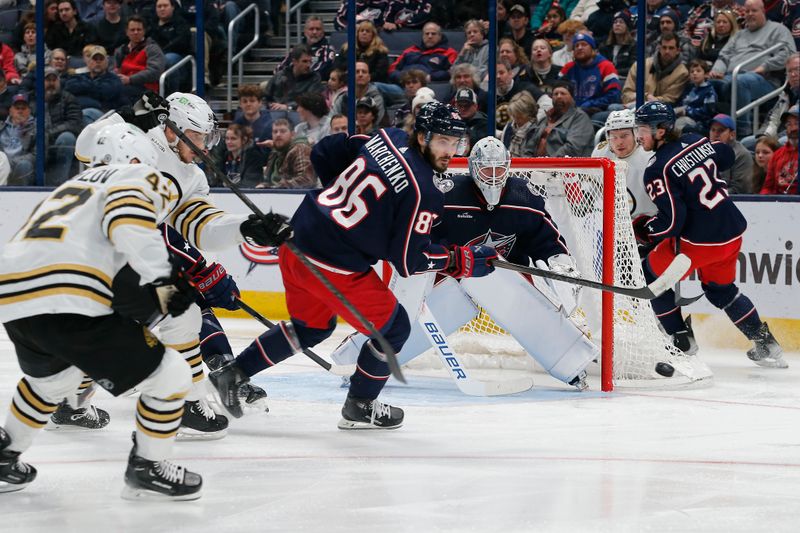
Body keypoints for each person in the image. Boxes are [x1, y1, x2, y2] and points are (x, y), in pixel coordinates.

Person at [211, 102, 498, 430]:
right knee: (395, 329)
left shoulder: (387, 137)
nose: (450, 150)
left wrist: (343, 205)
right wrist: (461, 260)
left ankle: (232, 374)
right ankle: (361, 403)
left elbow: (323, 151)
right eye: (442, 141)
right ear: (422, 136)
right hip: (333, 266)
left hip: (296, 238)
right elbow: (409, 261)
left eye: (455, 142)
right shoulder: (424, 191)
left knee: (312, 327)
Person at [0, 122, 213, 499]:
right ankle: (148, 466)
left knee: (53, 383)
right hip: (66, 295)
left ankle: (4, 453)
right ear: (135, 158)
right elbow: (127, 217)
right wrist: (163, 281)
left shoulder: (70, 187)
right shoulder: (136, 174)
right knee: (172, 376)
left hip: (14, 295)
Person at [75, 91, 291, 436]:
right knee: (172, 317)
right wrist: (125, 114)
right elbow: (84, 148)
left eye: (207, 138)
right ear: (172, 130)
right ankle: (184, 404)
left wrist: (245, 228)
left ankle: (70, 403)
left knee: (134, 328)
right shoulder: (138, 142)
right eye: (197, 137)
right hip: (100, 250)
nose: (205, 146)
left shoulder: (192, 177)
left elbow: (200, 227)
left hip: (125, 258)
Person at [330, 137, 596, 391]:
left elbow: (548, 240)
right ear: (472, 168)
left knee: (511, 291)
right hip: (447, 270)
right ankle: (357, 360)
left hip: (501, 276)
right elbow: (418, 235)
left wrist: (560, 264)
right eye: (486, 168)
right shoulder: (449, 194)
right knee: (412, 303)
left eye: (498, 168)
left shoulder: (525, 198)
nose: (492, 175)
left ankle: (571, 361)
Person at [633, 101, 785, 367]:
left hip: (698, 243)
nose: (638, 136)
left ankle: (681, 339)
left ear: (660, 131)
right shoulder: (694, 139)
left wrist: (646, 228)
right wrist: (705, 151)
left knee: (648, 275)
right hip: (731, 233)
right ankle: (765, 342)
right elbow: (726, 155)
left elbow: (672, 224)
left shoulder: (657, 168)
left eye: (642, 129)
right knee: (722, 291)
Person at [709, 0, 797, 136]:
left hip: (765, 80)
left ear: (763, 11)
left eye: (754, 11)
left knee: (741, 81)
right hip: (731, 76)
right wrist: (717, 70)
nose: (750, 14)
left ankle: (742, 131)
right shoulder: (739, 34)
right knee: (708, 84)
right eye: (747, 11)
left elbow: (788, 53)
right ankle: (708, 127)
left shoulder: (778, 29)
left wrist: (764, 67)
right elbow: (724, 56)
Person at [591, 109, 658, 220]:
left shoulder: (650, 157)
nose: (619, 142)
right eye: (614, 137)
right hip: (610, 221)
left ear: (635, 134)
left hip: (644, 222)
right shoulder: (601, 152)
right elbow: (593, 188)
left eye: (624, 136)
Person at [559, 33, 622, 126]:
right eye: (576, 46)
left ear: (592, 49)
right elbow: (558, 90)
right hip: (572, 109)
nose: (580, 48)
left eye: (584, 44)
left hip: (597, 109)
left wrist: (589, 104)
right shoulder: (568, 68)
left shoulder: (606, 66)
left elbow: (613, 96)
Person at [528, 79, 594, 157]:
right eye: (555, 94)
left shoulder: (580, 118)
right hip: (535, 166)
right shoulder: (544, 120)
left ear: (572, 97)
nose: (559, 96)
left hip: (564, 166)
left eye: (563, 93)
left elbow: (573, 148)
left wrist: (548, 163)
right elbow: (528, 146)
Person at [622, 33, 689, 108]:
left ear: (678, 50)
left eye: (671, 48)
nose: (667, 51)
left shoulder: (682, 73)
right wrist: (647, 97)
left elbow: (670, 99)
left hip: (661, 112)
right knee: (613, 108)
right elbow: (626, 94)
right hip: (633, 106)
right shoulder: (640, 65)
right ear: (659, 48)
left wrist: (650, 100)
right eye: (664, 47)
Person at [42, 67, 83, 186]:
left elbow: (75, 124)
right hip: (37, 140)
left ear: (59, 82)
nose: (51, 83)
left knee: (67, 137)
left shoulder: (68, 98)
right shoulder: (32, 99)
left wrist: (50, 133)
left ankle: (58, 185)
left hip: (57, 139)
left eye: (54, 80)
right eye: (47, 80)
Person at [63, 45, 124, 125]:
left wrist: (83, 89)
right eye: (95, 59)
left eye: (101, 59)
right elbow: (69, 86)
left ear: (106, 62)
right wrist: (93, 87)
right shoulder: (79, 76)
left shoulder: (114, 79)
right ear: (88, 62)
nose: (98, 62)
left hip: (103, 116)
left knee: (85, 114)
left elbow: (106, 92)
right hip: (75, 112)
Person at [114, 16, 166, 104]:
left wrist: (130, 79)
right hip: (124, 86)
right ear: (127, 32)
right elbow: (115, 69)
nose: (135, 32)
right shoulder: (120, 50)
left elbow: (155, 72)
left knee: (117, 93)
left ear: (144, 31)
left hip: (146, 89)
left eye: (139, 29)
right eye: (132, 30)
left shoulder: (152, 48)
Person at [389, 21, 458, 83]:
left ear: (440, 36)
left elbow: (452, 72)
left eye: (433, 34)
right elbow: (392, 69)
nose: (430, 36)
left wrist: (430, 77)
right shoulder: (410, 50)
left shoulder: (449, 52)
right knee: (378, 87)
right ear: (423, 36)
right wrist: (403, 77)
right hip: (403, 86)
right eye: (427, 34)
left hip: (429, 87)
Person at [263, 44, 325, 112]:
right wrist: (270, 105)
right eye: (304, 61)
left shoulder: (314, 78)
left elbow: (311, 101)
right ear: (294, 61)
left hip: (299, 114)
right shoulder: (280, 75)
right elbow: (265, 98)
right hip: (274, 112)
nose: (308, 65)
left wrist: (288, 107)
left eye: (310, 61)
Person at [259, 118, 317, 189]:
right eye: (275, 132)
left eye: (283, 131)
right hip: (275, 195)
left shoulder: (300, 148)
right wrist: (264, 185)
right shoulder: (275, 152)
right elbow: (268, 180)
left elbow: (306, 180)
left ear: (292, 134)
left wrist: (278, 187)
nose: (278, 135)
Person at [149, 0, 192, 94]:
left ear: (172, 7)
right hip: (156, 57)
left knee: (168, 59)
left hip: (179, 60)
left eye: (165, 6)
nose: (162, 9)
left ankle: (172, 96)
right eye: (159, 6)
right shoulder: (151, 25)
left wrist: (161, 51)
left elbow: (182, 43)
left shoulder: (181, 23)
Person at [277, 16, 336, 81]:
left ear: (323, 32)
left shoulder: (328, 50)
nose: (314, 32)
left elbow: (323, 71)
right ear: (305, 31)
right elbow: (280, 68)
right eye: (311, 29)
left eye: (318, 29)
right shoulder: (297, 49)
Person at [330, 61, 386, 126]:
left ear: (369, 77)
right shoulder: (343, 98)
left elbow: (374, 123)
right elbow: (331, 120)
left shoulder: (377, 98)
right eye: (357, 72)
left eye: (364, 72)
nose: (360, 74)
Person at [708, 114, 754, 193]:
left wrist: (710, 195)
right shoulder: (704, 152)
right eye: (713, 130)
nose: (715, 134)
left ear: (732, 135)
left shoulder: (742, 155)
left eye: (721, 130)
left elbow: (739, 190)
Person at [760, 105, 798, 194]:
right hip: (779, 203)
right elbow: (767, 187)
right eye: (789, 124)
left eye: (797, 123)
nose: (793, 128)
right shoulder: (777, 155)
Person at [0, 94, 36, 186]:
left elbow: (36, 155)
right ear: (11, 111)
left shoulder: (37, 128)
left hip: (20, 167)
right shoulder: (1, 127)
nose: (20, 111)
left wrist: (11, 162)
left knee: (24, 165)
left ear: (29, 111)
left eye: (23, 108)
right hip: (2, 165)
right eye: (17, 108)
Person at [675, 59, 718, 135]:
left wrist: (686, 111)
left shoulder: (709, 91)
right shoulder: (689, 88)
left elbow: (707, 113)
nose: (694, 73)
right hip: (683, 117)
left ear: (706, 74)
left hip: (700, 123)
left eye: (698, 71)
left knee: (679, 124)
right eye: (692, 72)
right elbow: (680, 103)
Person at [598, 10, 636, 81]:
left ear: (627, 26)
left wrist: (613, 72)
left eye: (621, 22)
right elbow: (601, 65)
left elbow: (633, 68)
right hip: (606, 79)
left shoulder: (633, 46)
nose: (617, 24)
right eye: (615, 22)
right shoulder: (604, 45)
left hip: (625, 79)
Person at [500, 90, 539, 157]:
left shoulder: (537, 129)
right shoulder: (509, 127)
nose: (516, 119)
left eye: (519, 116)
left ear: (529, 113)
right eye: (514, 115)